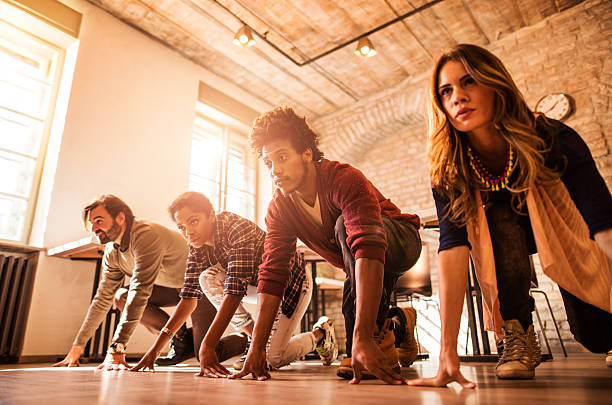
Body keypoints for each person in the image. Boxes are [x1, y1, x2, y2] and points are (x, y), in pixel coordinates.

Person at [408, 44, 612, 387]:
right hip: (502, 239)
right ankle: (517, 336)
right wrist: (446, 353)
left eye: (469, 82)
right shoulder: (448, 166)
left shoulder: (553, 137)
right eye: (446, 91)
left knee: (596, 336)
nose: (457, 97)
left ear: (495, 83)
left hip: (566, 229)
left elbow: (604, 224)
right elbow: (453, 247)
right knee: (498, 216)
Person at [231, 107, 422, 384]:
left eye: (282, 157)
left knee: (345, 226)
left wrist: (362, 336)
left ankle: (376, 336)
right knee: (354, 300)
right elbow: (272, 273)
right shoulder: (280, 208)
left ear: (307, 152)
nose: (275, 170)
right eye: (268, 163)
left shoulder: (343, 178)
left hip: (401, 240)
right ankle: (399, 325)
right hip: (358, 260)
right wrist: (257, 347)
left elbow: (368, 245)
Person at [131, 191, 338, 374]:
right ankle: (253, 337)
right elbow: (188, 299)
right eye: (181, 227)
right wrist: (155, 350)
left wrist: (208, 346)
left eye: (193, 222)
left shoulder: (235, 228)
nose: (188, 232)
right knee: (207, 278)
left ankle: (320, 335)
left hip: (291, 284)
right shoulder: (196, 245)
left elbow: (234, 291)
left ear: (211, 215)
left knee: (272, 359)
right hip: (257, 287)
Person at [53, 194, 246, 370]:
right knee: (121, 296)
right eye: (91, 224)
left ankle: (245, 339)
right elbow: (102, 298)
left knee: (205, 354)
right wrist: (77, 347)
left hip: (201, 287)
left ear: (120, 218)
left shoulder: (146, 235)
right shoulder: (112, 252)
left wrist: (117, 348)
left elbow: (141, 289)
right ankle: (181, 340)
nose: (94, 229)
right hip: (172, 289)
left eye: (99, 221)